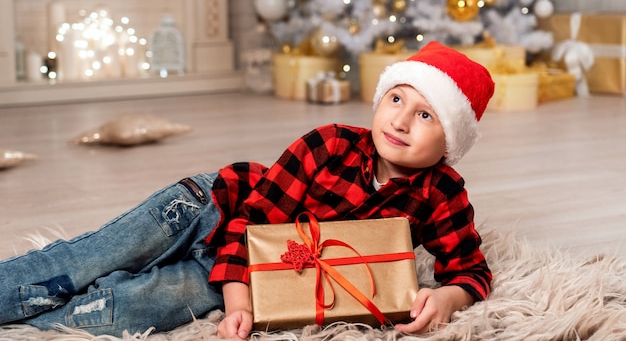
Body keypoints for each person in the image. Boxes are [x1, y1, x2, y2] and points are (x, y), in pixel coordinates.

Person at [0, 41, 494, 339]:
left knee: (124, 311)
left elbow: (471, 269)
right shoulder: (329, 145)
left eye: (426, 115)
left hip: (260, 268)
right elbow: (250, 222)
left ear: (449, 140)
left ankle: (28, 323)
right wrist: (239, 306)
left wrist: (450, 298)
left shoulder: (441, 192)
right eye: (396, 98)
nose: (401, 120)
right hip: (213, 209)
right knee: (88, 260)